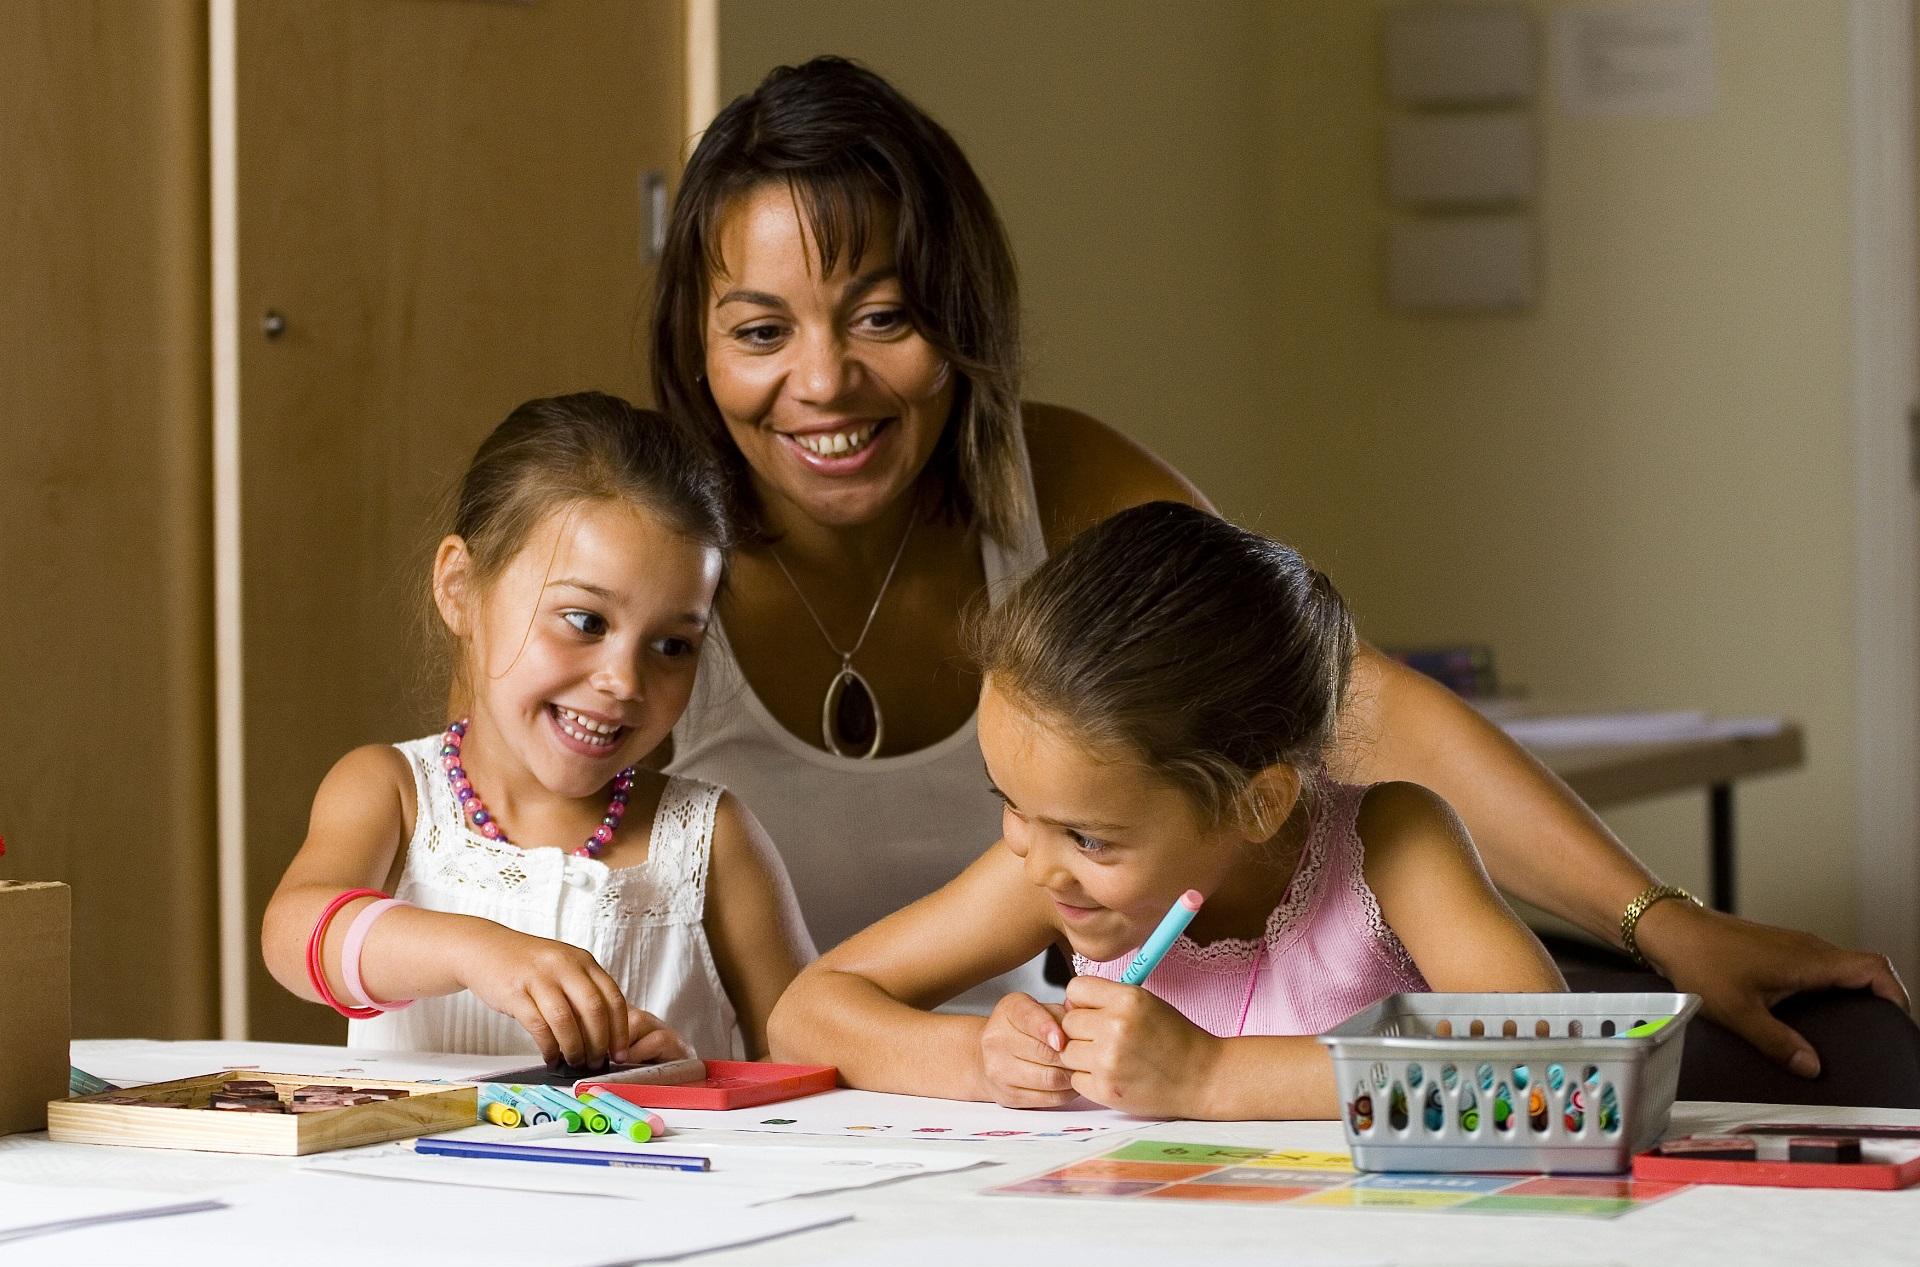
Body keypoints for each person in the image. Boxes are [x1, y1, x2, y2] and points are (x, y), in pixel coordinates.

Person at [655, 56, 1905, 1068]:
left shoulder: (1060, 484)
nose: (823, 381)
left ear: (959, 314)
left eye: (884, 315)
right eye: (761, 331)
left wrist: (1662, 921)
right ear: (696, 346)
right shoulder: (648, 557)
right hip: (807, 1117)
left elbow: (1345, 706)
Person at [770, 503, 1566, 1117]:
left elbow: (1550, 1057)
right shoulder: (1050, 872)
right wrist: (980, 1056)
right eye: (1010, 805)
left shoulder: (1389, 844)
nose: (1040, 859)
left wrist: (1210, 1076)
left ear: (1258, 802)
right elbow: (806, 1014)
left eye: (1090, 837)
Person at [262, 393, 813, 1065]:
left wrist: (694, 1079)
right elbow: (294, 935)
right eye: (586, 621)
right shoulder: (393, 793)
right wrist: (474, 950)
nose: (624, 681)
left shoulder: (711, 839)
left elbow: (806, 1063)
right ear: (460, 587)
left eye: (672, 645)